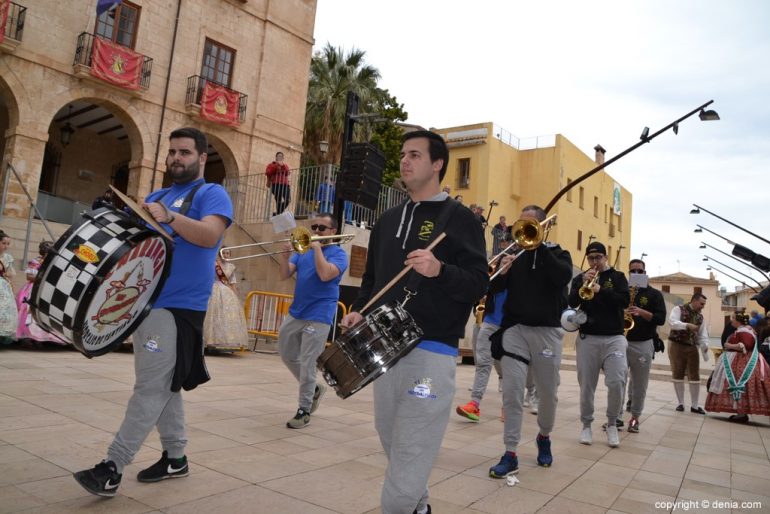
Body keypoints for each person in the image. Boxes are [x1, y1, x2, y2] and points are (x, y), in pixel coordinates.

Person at [73, 127, 233, 497]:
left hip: (177, 309)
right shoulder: (157, 195)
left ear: (202, 158)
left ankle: (112, 466)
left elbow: (210, 236)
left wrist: (170, 218)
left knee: (151, 386)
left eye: (185, 152)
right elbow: (135, 244)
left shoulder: (212, 193)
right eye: (172, 152)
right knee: (164, 385)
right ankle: (176, 458)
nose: (177, 158)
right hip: (145, 303)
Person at [340, 130, 487, 514]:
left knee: (410, 451)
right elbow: (372, 279)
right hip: (383, 351)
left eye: (416, 155)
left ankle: (405, 505)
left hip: (432, 351)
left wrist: (440, 269)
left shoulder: (460, 220)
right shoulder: (387, 220)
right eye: (404, 155)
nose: (405, 161)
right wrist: (360, 310)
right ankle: (420, 506)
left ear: (437, 164)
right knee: (390, 436)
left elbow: (478, 283)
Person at [485, 206, 572, 477]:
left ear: (541, 224)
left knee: (548, 394)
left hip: (547, 332)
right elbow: (494, 288)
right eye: (520, 222)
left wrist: (539, 248)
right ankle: (510, 452)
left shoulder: (558, 253)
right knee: (512, 393)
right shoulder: (514, 256)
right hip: (515, 330)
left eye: (529, 223)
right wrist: (504, 270)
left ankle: (543, 436)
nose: (522, 227)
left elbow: (562, 278)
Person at [278, 213, 348, 429]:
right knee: (287, 354)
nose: (316, 231)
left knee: (309, 363)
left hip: (320, 313)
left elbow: (325, 274)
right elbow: (284, 275)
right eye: (314, 227)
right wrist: (284, 256)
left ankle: (304, 409)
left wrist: (317, 249)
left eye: (322, 228)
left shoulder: (339, 254)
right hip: (297, 311)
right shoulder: (302, 251)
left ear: (333, 232)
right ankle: (314, 389)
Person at [569, 241, 629, 448]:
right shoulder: (580, 278)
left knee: (617, 381)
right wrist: (580, 286)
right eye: (591, 258)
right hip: (588, 338)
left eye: (598, 258)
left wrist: (600, 289)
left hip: (614, 337)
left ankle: (612, 423)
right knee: (586, 385)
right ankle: (586, 425)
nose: (594, 262)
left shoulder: (618, 277)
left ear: (605, 257)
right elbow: (570, 303)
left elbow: (624, 301)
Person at [619, 259, 666, 433]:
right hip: (622, 341)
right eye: (633, 272)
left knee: (640, 384)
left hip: (644, 343)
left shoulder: (654, 295)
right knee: (618, 382)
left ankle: (634, 418)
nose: (637, 274)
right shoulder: (623, 291)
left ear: (645, 273)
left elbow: (660, 319)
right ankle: (616, 417)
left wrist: (641, 312)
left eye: (640, 272)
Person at [705, 312, 770, 422]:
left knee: (740, 384)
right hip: (738, 359)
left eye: (733, 318)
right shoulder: (745, 330)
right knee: (739, 385)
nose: (731, 321)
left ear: (738, 321)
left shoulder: (744, 331)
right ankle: (740, 412)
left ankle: (741, 412)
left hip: (742, 361)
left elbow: (747, 345)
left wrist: (729, 345)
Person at [456, 290, 507, 422]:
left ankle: (509, 407)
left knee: (510, 366)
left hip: (512, 324)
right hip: (490, 320)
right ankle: (474, 404)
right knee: (483, 363)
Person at [15, 241, 67, 346]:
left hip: (48, 288)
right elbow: (29, 276)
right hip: (34, 288)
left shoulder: (54, 262)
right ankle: (28, 336)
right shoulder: (36, 261)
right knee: (29, 309)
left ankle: (45, 337)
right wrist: (44, 278)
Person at [668, 293, 710, 414]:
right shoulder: (678, 309)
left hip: (692, 346)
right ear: (694, 301)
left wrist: (705, 345)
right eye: (701, 304)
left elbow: (703, 334)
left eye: (704, 304)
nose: (702, 307)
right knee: (677, 373)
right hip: (676, 344)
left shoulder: (700, 317)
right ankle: (680, 403)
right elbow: (672, 323)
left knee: (695, 375)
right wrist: (687, 325)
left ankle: (695, 406)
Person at [202, 249, 249, 350]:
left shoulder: (231, 267)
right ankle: (208, 341)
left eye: (228, 253)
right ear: (220, 254)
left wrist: (236, 296)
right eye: (224, 253)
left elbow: (232, 283)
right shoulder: (214, 264)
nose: (226, 255)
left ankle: (222, 342)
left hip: (226, 291)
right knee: (212, 315)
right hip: (213, 289)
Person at [0, 231, 17, 345]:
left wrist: (11, 285)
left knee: (5, 310)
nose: (5, 246)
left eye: (7, 244)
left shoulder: (7, 257)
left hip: (3, 286)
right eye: (3, 243)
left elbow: (10, 273)